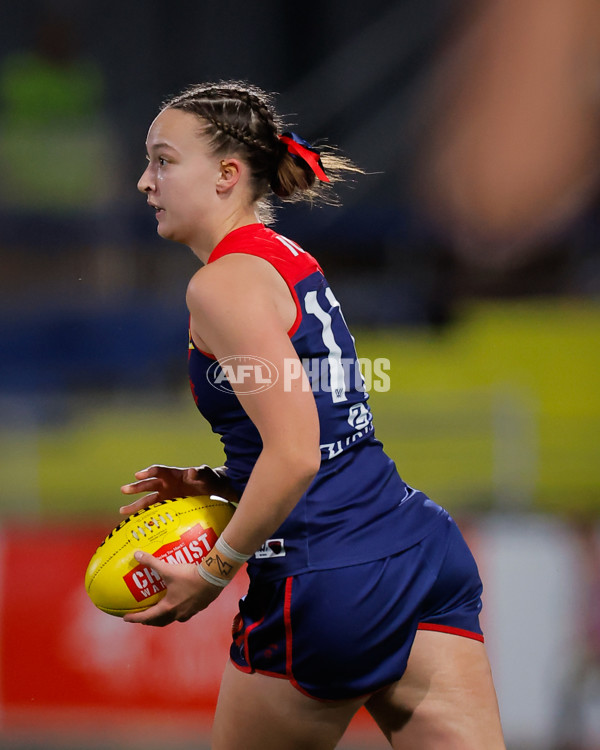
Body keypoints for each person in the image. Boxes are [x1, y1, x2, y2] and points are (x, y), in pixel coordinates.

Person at [119, 80, 505, 750]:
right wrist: (222, 479)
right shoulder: (284, 258)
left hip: (325, 578)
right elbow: (324, 434)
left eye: (162, 160)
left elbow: (297, 453)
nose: (144, 182)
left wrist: (212, 576)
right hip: (415, 548)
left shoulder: (221, 284)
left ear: (227, 175)